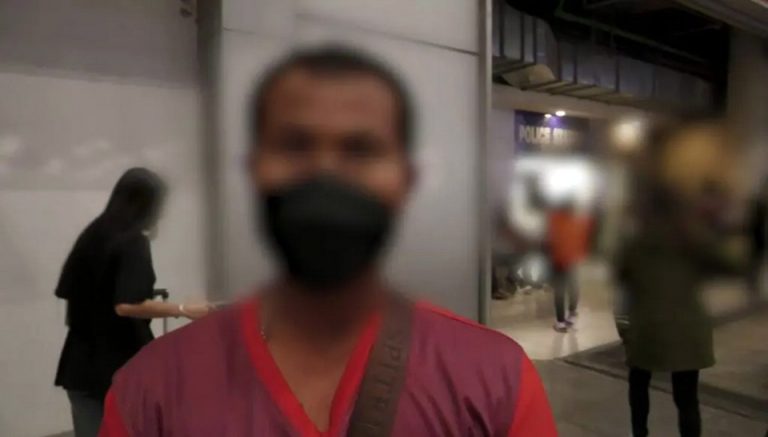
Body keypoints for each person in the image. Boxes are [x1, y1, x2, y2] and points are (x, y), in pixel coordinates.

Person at [98, 46, 557, 437]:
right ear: (255, 173)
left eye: (361, 149)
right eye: (294, 146)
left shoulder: (496, 380)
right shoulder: (150, 393)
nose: (325, 175)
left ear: (405, 180)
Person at [54, 168, 211, 437]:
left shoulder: (94, 233)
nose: (161, 214)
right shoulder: (132, 241)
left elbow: (82, 292)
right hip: (116, 368)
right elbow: (126, 305)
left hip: (79, 367)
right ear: (145, 205)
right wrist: (183, 310)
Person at [615, 180, 742, 437]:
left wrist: (624, 325)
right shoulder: (694, 238)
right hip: (687, 329)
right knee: (686, 398)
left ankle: (639, 433)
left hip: (647, 328)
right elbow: (732, 264)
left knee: (638, 384)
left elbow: (624, 280)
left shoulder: (636, 242)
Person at [546, 199, 592, 332]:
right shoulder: (580, 220)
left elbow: (549, 239)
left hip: (558, 259)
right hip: (573, 259)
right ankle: (572, 314)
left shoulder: (553, 218)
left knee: (560, 290)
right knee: (573, 286)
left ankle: (560, 321)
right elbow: (585, 238)